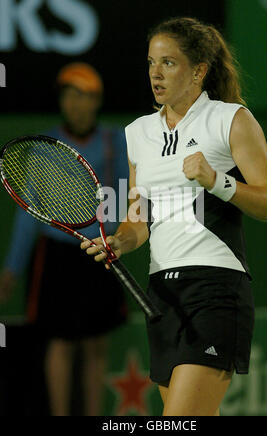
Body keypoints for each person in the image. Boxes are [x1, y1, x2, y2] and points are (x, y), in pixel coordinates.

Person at [81, 17, 267, 416]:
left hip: (215, 289)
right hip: (162, 295)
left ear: (199, 70)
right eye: (150, 62)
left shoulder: (230, 119)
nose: (155, 73)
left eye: (169, 63)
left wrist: (217, 181)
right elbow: (137, 218)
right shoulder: (137, 133)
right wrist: (119, 242)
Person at [0, 62, 128, 416]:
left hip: (99, 253)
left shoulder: (114, 142)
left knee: (95, 345)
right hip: (55, 256)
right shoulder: (43, 147)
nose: (75, 103)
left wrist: (115, 238)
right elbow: (29, 212)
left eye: (83, 95)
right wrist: (12, 268)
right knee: (59, 343)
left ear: (96, 101)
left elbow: (125, 194)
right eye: (68, 95)